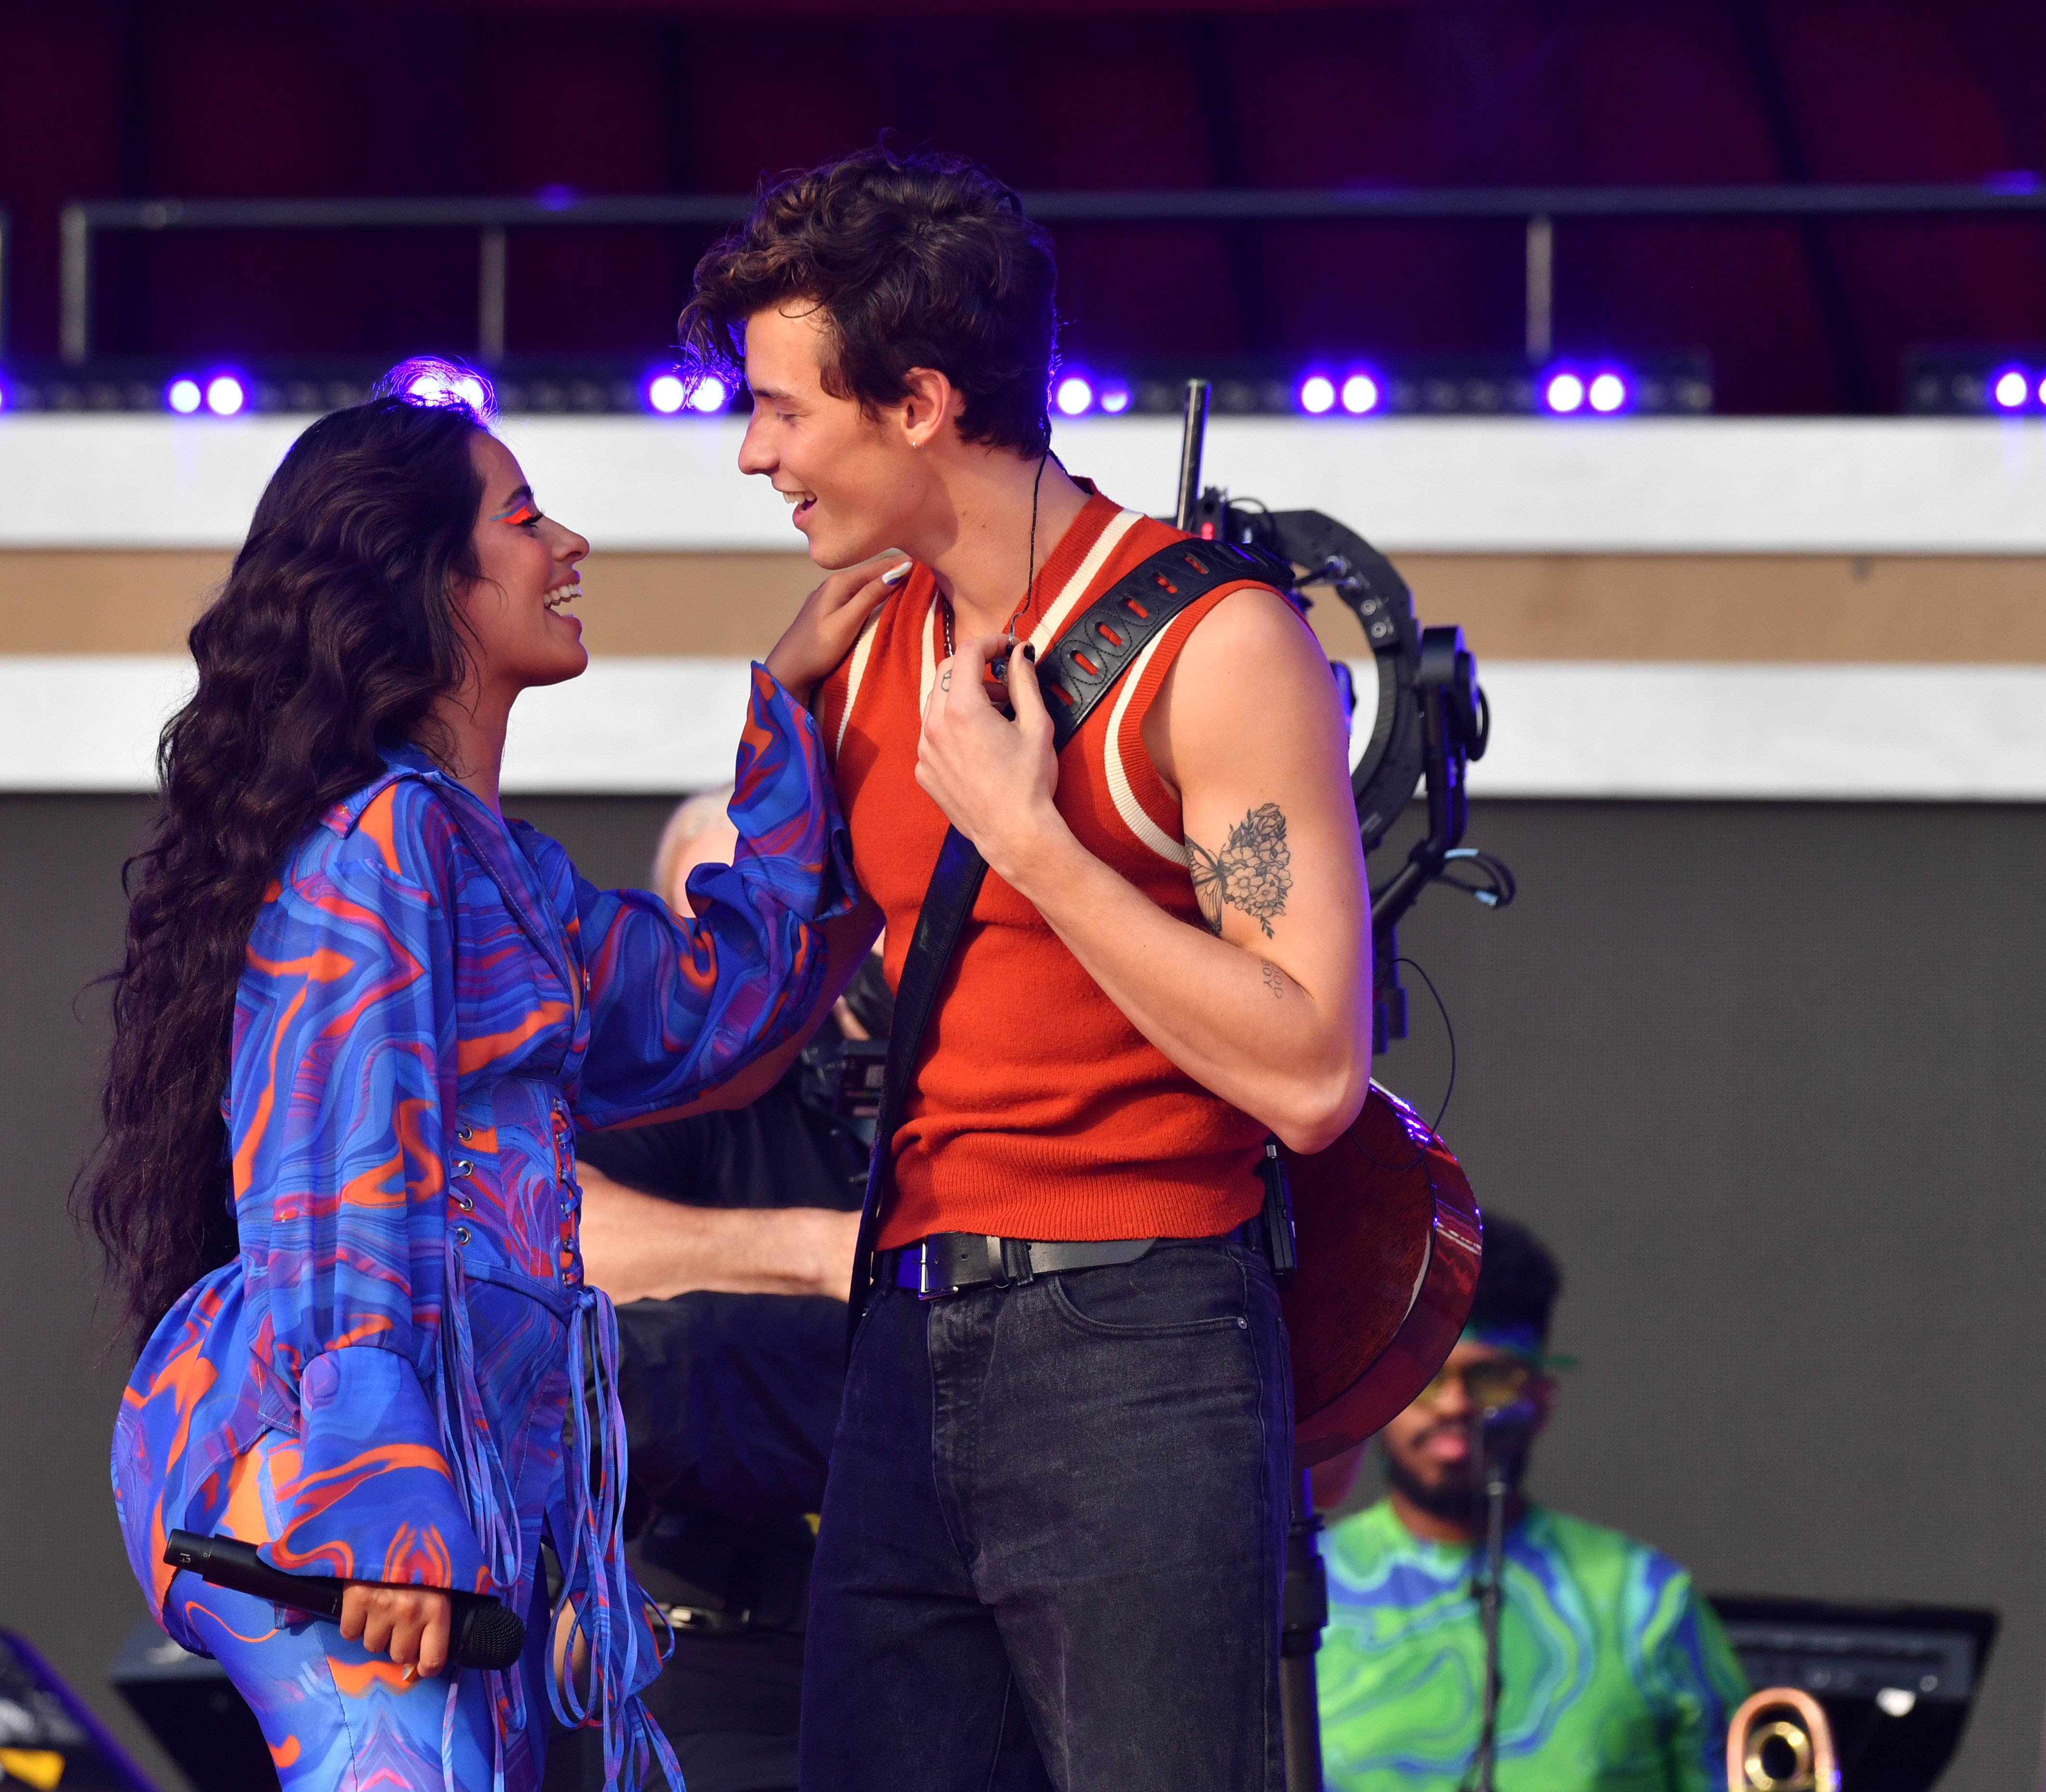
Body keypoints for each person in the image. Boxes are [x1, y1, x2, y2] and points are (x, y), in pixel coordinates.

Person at [81, 371, 890, 1792]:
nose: (565, 544)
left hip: (455, 1480)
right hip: (351, 1470)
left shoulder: (487, 863)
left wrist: (792, 716)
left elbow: (716, 1014)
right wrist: (373, 1477)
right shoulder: (380, 839)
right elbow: (336, 1173)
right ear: (428, 579)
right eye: (521, 517)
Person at [680, 147, 1375, 1792]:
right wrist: (766, 730)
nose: (752, 453)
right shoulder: (860, 650)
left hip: (1134, 1343)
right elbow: (750, 1007)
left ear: (916, 402)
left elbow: (1308, 1066)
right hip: (902, 1336)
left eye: (782, 408)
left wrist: (1032, 838)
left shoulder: (1213, 648)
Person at [571, 791, 883, 1792]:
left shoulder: (941, 1071)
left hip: (953, 1634)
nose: (751, 961)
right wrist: (822, 1251)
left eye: (779, 920)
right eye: (713, 930)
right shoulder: (683, 1082)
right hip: (724, 1648)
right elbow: (546, 1231)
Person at [1317, 1215, 1747, 1792]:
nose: (1455, 1407)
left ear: (1542, 1397)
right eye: (1425, 1377)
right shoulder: (1298, 1593)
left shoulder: (1647, 1601)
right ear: (1381, 1390)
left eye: (1490, 1379)